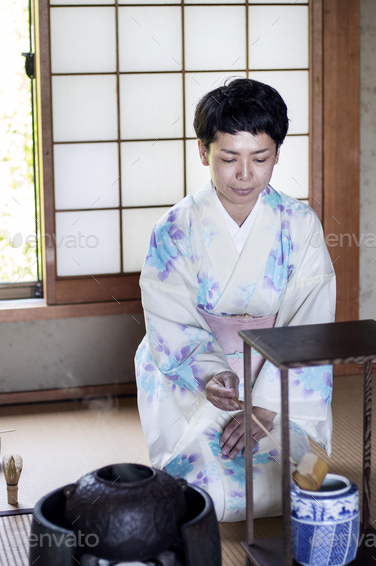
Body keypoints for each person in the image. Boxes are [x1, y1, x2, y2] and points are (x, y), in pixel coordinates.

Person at [135, 78, 335, 522]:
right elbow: (171, 318)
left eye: (260, 158)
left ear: (277, 155)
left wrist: (265, 405)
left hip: (276, 374)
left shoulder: (299, 224)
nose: (245, 174)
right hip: (198, 376)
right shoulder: (175, 229)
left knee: (299, 479)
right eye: (228, 158)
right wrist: (211, 377)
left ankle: (288, 433)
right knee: (208, 495)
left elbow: (311, 321)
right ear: (203, 153)